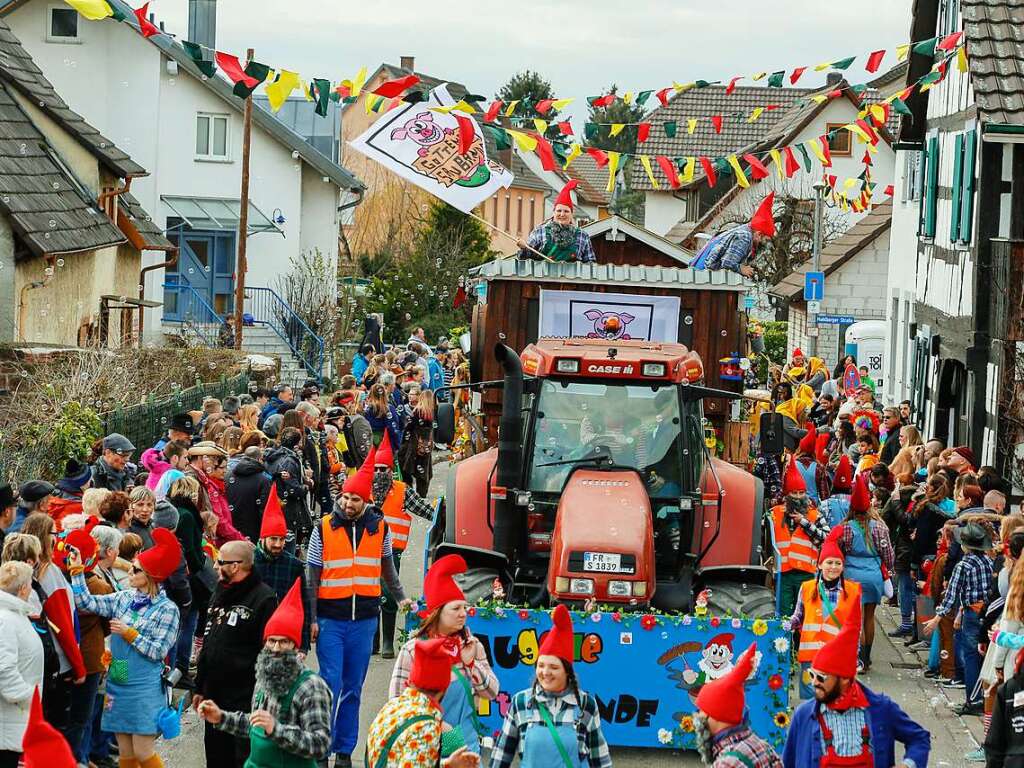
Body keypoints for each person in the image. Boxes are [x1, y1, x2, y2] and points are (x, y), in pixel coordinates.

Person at [305, 448, 412, 767]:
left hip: (364, 620)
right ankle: (321, 748)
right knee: (330, 684)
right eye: (346, 498)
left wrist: (402, 597)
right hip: (330, 620)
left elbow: (388, 570)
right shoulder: (323, 528)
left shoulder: (380, 528)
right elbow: (311, 576)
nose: (349, 504)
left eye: (356, 500)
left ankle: (343, 751)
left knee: (353, 687)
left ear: (366, 502)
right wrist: (311, 618)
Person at [66, 528, 182, 768]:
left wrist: (130, 634)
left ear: (151, 576)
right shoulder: (124, 597)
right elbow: (85, 602)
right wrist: (77, 570)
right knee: (126, 753)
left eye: (136, 569)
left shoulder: (167, 609)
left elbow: (159, 652)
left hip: (145, 685)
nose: (129, 569)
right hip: (119, 675)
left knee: (143, 751)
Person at [197, 579, 332, 766]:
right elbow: (255, 725)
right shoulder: (263, 676)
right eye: (271, 641)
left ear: (295, 647)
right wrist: (221, 717)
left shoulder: (312, 687)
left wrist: (276, 729)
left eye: (284, 642)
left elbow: (320, 745)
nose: (276, 648)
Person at [784, 602, 930, 767]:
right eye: (812, 675)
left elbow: (919, 739)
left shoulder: (881, 709)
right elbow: (788, 762)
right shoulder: (804, 716)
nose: (814, 682)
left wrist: (908, 765)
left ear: (845, 678)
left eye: (822, 677)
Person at [389, 555, 498, 754]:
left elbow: (491, 692)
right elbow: (396, 704)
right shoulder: (413, 650)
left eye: (465, 607)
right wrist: (440, 728)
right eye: (456, 608)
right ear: (437, 613)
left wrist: (472, 664)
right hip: (425, 751)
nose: (463, 613)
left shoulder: (472, 645)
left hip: (467, 750)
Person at [491, 605, 612, 768]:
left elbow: (600, 759)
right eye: (541, 665)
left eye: (554, 667)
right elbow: (501, 755)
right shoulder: (521, 702)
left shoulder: (585, 705)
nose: (545, 672)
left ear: (567, 671)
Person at [194, 540, 278, 767]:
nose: (214, 566)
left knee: (240, 758)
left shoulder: (264, 598)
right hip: (214, 694)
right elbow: (209, 643)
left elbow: (268, 653)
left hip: (244, 696)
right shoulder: (219, 591)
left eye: (219, 561)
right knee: (215, 757)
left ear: (236, 566)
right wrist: (199, 687)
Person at [367, 636, 478, 768]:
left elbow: (408, 759)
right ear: (444, 689)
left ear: (411, 681)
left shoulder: (391, 707)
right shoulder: (426, 727)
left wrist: (446, 764)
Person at [19, 513, 85, 734]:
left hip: (37, 661)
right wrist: (78, 665)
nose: (58, 539)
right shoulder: (49, 573)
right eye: (54, 533)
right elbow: (63, 624)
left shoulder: (20, 572)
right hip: (59, 662)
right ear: (44, 537)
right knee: (59, 725)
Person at [373, 434, 437, 658]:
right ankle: (374, 642)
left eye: (384, 469)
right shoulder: (364, 490)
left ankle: (388, 642)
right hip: (364, 551)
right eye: (377, 469)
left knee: (388, 594)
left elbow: (425, 510)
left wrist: (445, 513)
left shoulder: (402, 490)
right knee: (368, 595)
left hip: (392, 553)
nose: (380, 474)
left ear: (392, 471)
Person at [923, 522, 994, 715]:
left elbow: (951, 595)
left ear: (964, 545)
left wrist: (937, 618)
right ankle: (983, 698)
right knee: (982, 656)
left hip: (971, 614)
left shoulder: (963, 565)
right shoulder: (988, 561)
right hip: (986, 613)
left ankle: (973, 701)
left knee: (970, 656)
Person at [832, 474, 895, 672]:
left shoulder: (845, 528)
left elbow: (837, 553)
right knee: (869, 618)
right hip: (874, 576)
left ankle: (857, 659)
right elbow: (889, 555)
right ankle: (867, 660)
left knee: (855, 620)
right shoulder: (880, 528)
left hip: (851, 576)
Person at [789, 539, 862, 700]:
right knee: (810, 704)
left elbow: (856, 629)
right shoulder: (807, 588)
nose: (834, 567)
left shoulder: (852, 591)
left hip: (836, 659)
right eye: (829, 562)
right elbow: (797, 617)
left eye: (838, 563)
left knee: (833, 702)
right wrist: (783, 625)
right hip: (810, 659)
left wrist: (855, 657)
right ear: (820, 565)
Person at [693, 643, 782, 767]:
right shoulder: (763, 746)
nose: (698, 715)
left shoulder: (727, 763)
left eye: (701, 710)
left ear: (716, 716)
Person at [253, 488, 311, 650]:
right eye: (273, 539)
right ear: (263, 538)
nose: (278, 544)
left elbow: (303, 605)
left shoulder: (294, 565)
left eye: (282, 539)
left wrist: (303, 646)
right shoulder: (248, 562)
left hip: (283, 638)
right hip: (253, 635)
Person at [772, 460, 829, 617]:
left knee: (805, 615)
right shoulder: (774, 514)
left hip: (807, 573)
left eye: (801, 493)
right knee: (784, 615)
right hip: (783, 574)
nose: (798, 497)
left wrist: (804, 523)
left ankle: (801, 642)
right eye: (794, 493)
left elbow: (826, 539)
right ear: (787, 495)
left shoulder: (815, 515)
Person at [0, 560, 43, 768]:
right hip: (9, 715)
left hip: (14, 716)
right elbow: (4, 668)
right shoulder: (5, 619)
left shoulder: (14, 614)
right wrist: (26, 696)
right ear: (24, 588)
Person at [692, 193, 774, 278]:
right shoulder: (744, 237)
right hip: (703, 276)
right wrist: (741, 269)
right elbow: (727, 263)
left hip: (700, 272)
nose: (763, 244)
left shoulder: (743, 229)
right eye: (765, 240)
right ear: (759, 234)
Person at [515, 180, 596, 263]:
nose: (562, 214)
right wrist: (524, 248)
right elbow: (524, 260)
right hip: (543, 275)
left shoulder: (582, 235)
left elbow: (590, 265)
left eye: (566, 211)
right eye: (559, 211)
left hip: (572, 276)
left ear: (572, 214)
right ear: (554, 213)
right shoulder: (540, 231)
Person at [226, 445, 273, 543]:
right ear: (259, 459)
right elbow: (264, 509)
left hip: (231, 528)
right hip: (254, 530)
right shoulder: (263, 480)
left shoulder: (228, 475)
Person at [49, 460, 93, 530]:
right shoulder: (79, 507)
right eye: (89, 480)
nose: (91, 482)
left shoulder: (54, 496)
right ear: (82, 485)